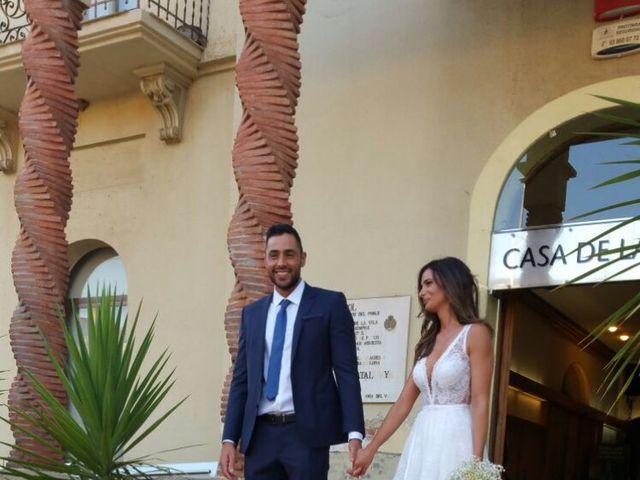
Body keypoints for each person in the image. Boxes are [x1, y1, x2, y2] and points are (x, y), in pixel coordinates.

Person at [219, 223, 365, 480]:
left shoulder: (329, 304)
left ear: (303, 258)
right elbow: (241, 379)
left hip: (306, 436)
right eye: (273, 255)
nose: (281, 262)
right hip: (260, 438)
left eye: (289, 254)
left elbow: (346, 372)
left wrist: (354, 432)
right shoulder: (252, 314)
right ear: (265, 260)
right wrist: (229, 438)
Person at [350, 257, 494, 480]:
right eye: (421, 286)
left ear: (450, 283)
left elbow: (480, 401)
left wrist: (475, 465)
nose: (421, 292)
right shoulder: (428, 341)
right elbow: (402, 405)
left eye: (428, 284)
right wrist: (371, 449)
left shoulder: (475, 334)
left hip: (457, 439)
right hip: (423, 439)